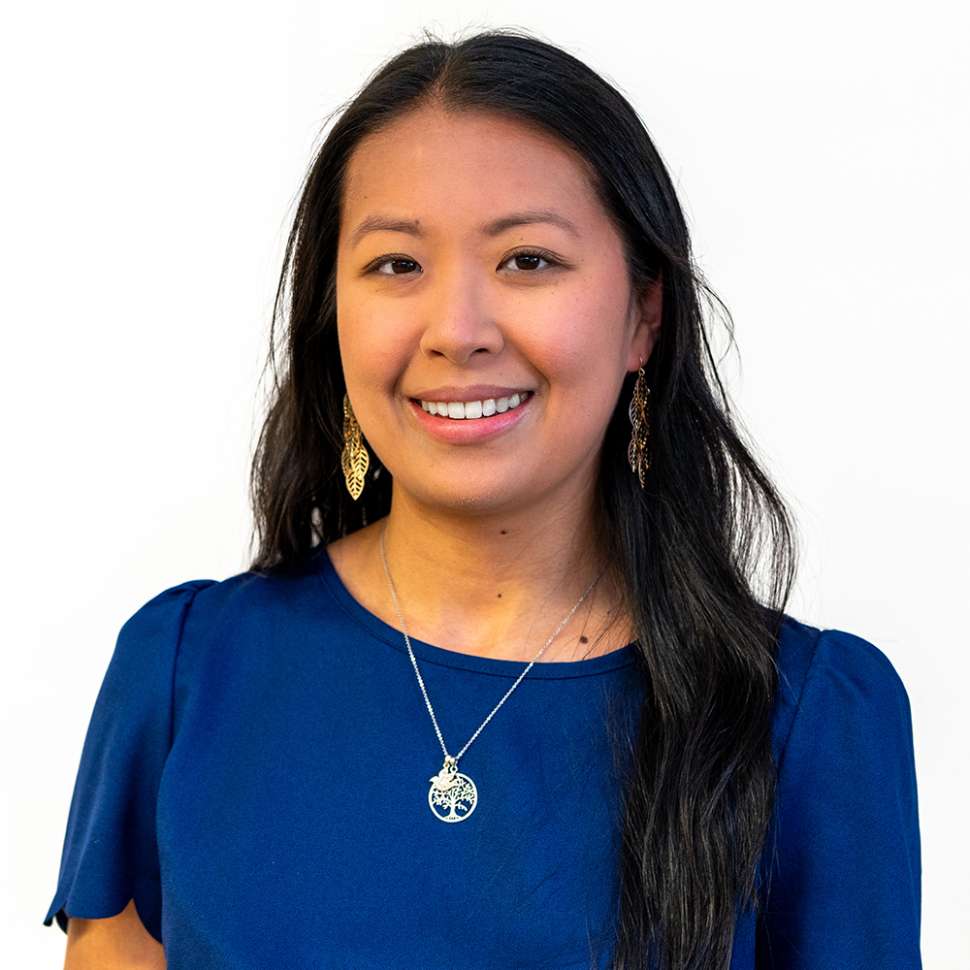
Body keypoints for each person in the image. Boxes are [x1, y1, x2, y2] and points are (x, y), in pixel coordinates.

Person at [42, 27, 922, 970]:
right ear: (332, 310)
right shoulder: (183, 674)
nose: (456, 332)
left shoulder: (808, 718)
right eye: (395, 265)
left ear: (645, 316)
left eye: (528, 261)